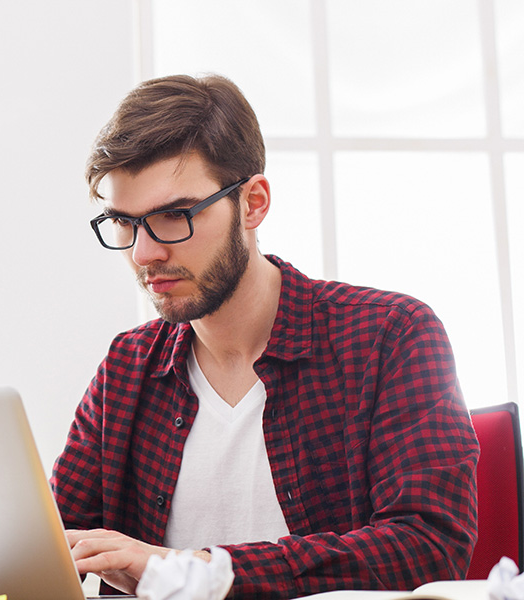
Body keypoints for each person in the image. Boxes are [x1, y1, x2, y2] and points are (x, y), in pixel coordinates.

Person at [50, 73, 478, 600]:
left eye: (173, 216)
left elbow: (428, 548)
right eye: (124, 222)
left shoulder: (391, 335)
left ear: (252, 204)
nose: (144, 253)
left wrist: (198, 572)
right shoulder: (128, 365)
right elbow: (49, 545)